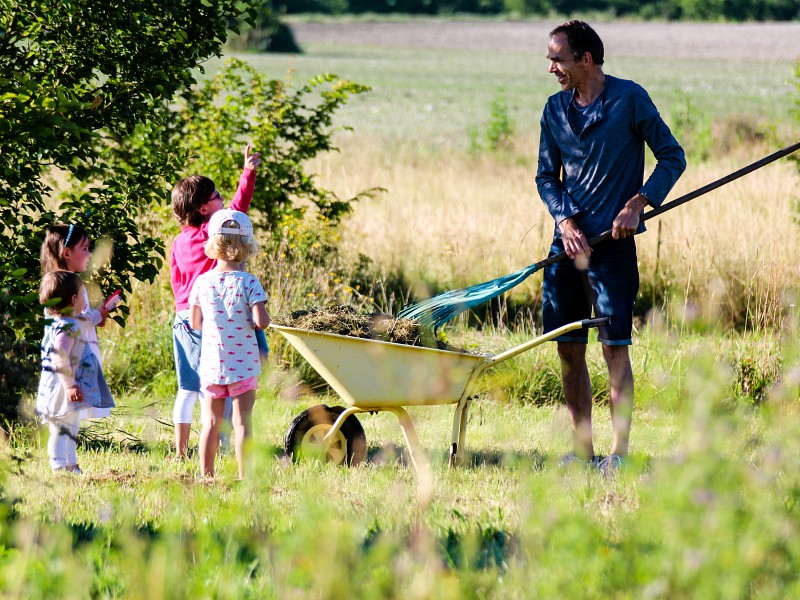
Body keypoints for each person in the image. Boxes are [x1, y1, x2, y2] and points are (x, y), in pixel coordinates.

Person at [535, 20, 686, 472]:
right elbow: (546, 176)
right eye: (549, 58)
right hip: (566, 249)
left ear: (585, 59)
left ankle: (618, 454)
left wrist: (639, 202)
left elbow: (672, 156)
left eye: (557, 58)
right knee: (568, 348)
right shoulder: (553, 110)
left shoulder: (629, 99)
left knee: (613, 347)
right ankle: (582, 451)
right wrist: (563, 218)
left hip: (613, 249)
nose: (551, 68)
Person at [170, 145, 262, 459]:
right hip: (210, 319)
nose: (222, 199)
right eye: (216, 196)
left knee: (188, 388)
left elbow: (176, 280)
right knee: (223, 379)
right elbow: (239, 208)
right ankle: (223, 447)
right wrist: (247, 173)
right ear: (205, 210)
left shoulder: (179, 241)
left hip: (183, 318)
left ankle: (181, 449)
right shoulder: (213, 234)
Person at [188, 209, 270, 479]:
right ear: (247, 245)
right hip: (243, 365)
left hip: (212, 365)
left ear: (213, 243)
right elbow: (261, 322)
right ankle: (245, 477)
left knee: (210, 422)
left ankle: (206, 475)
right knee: (242, 422)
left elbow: (195, 322)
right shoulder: (249, 282)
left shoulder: (202, 282)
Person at [36, 270, 115, 474]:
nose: (84, 298)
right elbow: (60, 356)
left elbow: (89, 319)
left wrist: (102, 312)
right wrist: (70, 385)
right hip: (62, 388)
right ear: (74, 299)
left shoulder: (72, 320)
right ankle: (59, 466)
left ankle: (72, 465)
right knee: (60, 428)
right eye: (82, 294)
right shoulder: (65, 328)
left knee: (72, 426)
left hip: (69, 387)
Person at [40, 223, 116, 419]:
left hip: (68, 354)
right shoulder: (71, 285)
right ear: (67, 253)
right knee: (66, 412)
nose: (89, 254)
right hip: (71, 358)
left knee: (69, 417)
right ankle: (60, 448)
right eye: (84, 249)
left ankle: (68, 447)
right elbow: (77, 320)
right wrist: (98, 314)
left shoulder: (56, 283)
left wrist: (97, 316)